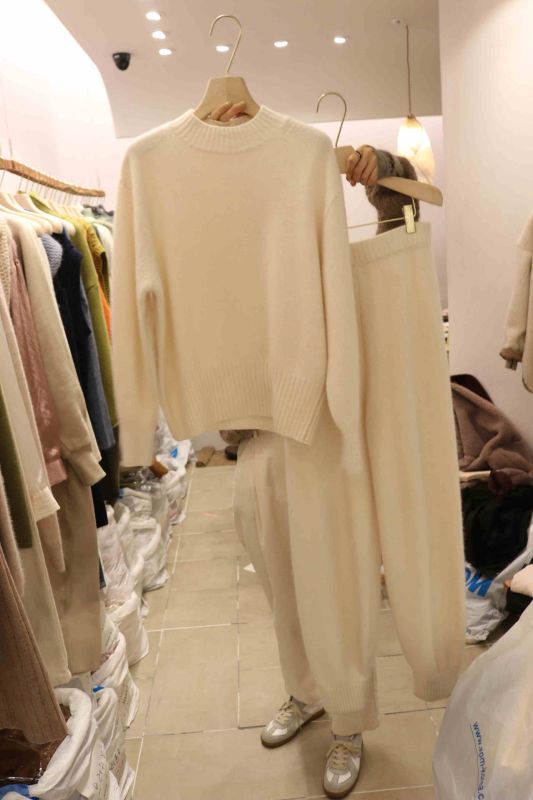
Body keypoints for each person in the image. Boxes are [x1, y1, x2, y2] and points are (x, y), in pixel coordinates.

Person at [211, 100, 419, 799]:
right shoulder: (233, 237)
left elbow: (405, 218)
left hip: (331, 439)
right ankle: (305, 691)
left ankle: (349, 718)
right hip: (261, 435)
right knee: (281, 584)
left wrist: (378, 170)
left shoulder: (338, 234)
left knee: (340, 586)